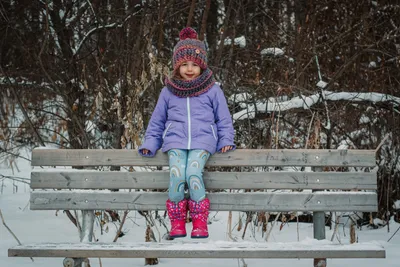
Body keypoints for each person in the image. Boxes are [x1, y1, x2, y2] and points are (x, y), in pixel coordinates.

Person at [138, 27, 236, 239]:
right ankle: (177, 221)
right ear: (177, 66)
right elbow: (157, 121)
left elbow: (224, 119)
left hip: (203, 142)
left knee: (192, 174)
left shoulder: (213, 90)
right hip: (175, 142)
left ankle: (200, 222)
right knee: (176, 176)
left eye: (194, 64)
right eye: (184, 64)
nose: (189, 69)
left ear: (202, 65)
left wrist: (226, 140)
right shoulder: (168, 91)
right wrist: (150, 143)